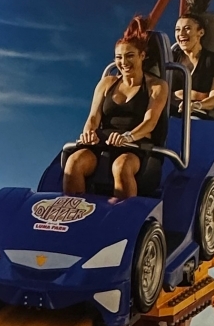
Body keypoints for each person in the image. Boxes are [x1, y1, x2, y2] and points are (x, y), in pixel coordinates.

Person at [63, 22, 169, 200]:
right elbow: (93, 117)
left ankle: (124, 213)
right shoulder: (107, 83)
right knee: (74, 162)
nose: (124, 62)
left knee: (121, 166)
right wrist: (88, 133)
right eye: (119, 57)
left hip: (136, 145)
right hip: (104, 142)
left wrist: (128, 137)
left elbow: (150, 122)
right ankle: (75, 211)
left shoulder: (157, 86)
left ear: (142, 56)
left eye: (130, 56)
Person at [172, 12, 214, 117]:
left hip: (201, 115)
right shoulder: (171, 58)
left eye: (187, 28)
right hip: (171, 113)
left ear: (201, 32)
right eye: (177, 30)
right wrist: (196, 95)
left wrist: (196, 105)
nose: (181, 33)